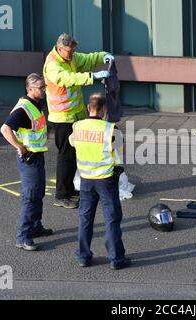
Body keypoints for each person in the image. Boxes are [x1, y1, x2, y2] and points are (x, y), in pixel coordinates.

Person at [44, 33, 114, 209]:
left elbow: (88, 59)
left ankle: (69, 190)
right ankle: (61, 195)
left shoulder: (71, 58)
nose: (72, 53)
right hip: (62, 118)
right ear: (60, 49)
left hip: (75, 115)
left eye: (73, 50)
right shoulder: (53, 65)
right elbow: (68, 78)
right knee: (65, 156)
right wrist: (93, 77)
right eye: (69, 50)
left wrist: (102, 56)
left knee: (74, 154)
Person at [69, 92, 130, 270]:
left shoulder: (77, 126)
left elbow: (72, 142)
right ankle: (116, 259)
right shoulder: (111, 128)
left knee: (85, 218)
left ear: (89, 108)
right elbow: (121, 149)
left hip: (86, 179)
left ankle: (83, 256)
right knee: (111, 219)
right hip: (106, 179)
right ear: (103, 110)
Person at [0, 73, 53, 251]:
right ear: (30, 89)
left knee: (38, 194)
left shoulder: (36, 103)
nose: (44, 90)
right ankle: (23, 237)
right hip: (29, 158)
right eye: (41, 88)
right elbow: (5, 129)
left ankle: (36, 227)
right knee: (30, 196)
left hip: (37, 155)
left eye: (44, 87)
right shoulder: (23, 109)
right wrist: (19, 147)